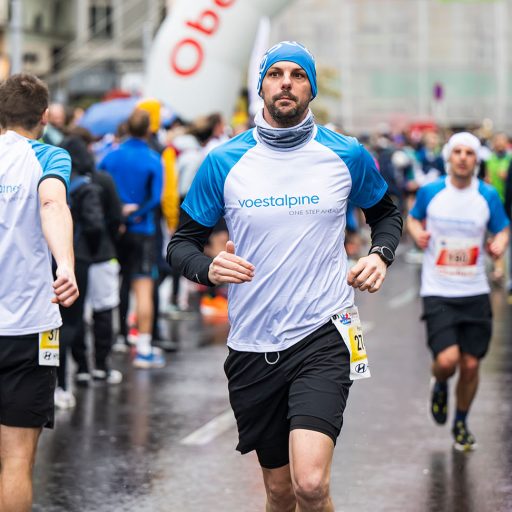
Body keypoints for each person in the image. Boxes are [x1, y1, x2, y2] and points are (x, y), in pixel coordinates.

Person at [168, 41, 402, 511]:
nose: (287, 83)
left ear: (310, 87)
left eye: (298, 74)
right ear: (262, 86)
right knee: (278, 491)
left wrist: (380, 254)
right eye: (276, 74)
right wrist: (207, 267)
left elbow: (386, 214)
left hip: (325, 335)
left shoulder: (346, 154)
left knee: (310, 484)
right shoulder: (224, 161)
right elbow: (180, 245)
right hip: (253, 343)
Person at [0, 74, 79, 512]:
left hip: (30, 326)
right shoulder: (49, 155)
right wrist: (64, 264)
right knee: (15, 461)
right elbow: (52, 203)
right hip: (31, 328)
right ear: (45, 117)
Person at [407, 132, 509, 452]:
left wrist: (499, 244)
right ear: (449, 157)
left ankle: (461, 421)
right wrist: (418, 233)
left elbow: (502, 227)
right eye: (458, 152)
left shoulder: (488, 196)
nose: (463, 157)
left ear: (476, 159)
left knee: (471, 365)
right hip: (438, 289)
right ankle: (439, 382)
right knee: (448, 361)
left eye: (469, 153)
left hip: (474, 289)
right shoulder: (431, 192)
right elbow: (412, 219)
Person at [99, 110, 165, 368]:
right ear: (148, 130)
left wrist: (119, 217)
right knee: (143, 287)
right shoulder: (152, 158)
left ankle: (120, 337)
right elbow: (156, 198)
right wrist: (136, 215)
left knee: (121, 283)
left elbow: (100, 186)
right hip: (142, 230)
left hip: (117, 230)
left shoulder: (110, 155)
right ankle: (145, 348)